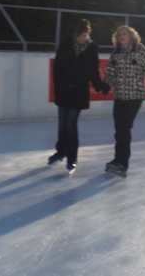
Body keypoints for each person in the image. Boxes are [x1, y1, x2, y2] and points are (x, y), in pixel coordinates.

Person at [102, 25, 145, 177]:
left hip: (135, 96)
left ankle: (122, 163)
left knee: (124, 128)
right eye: (119, 34)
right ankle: (117, 159)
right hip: (120, 96)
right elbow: (110, 74)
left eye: (124, 34)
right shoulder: (116, 54)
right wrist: (106, 85)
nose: (121, 37)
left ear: (132, 36)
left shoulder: (140, 50)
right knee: (119, 130)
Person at [48, 19, 105, 173]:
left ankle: (72, 158)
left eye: (85, 35)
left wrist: (100, 86)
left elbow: (93, 70)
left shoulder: (92, 48)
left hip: (79, 92)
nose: (82, 38)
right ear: (75, 33)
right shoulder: (66, 44)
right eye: (80, 35)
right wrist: (58, 87)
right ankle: (60, 152)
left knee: (71, 125)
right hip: (64, 90)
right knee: (62, 124)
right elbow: (57, 67)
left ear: (89, 34)